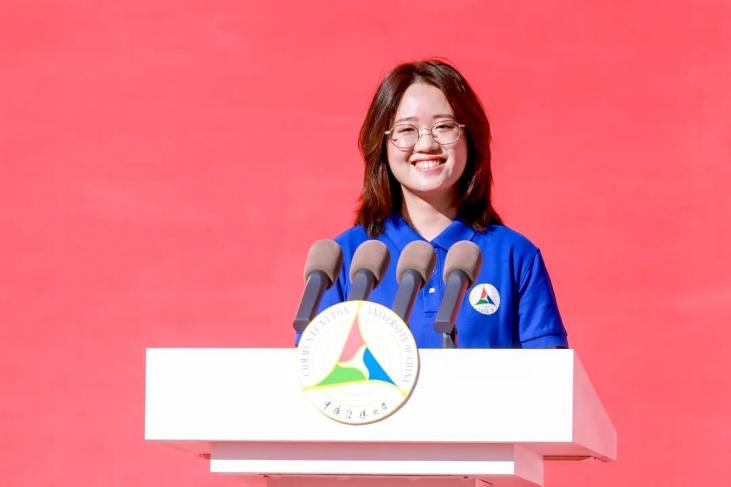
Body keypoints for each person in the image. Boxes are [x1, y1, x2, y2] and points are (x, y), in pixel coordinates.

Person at [315, 59, 568, 349]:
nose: (427, 144)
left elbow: (550, 373)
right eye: (406, 130)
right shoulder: (346, 258)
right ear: (381, 144)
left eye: (444, 127)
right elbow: (314, 366)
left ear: (470, 138)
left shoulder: (514, 255)